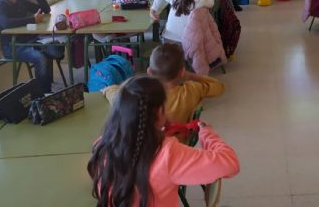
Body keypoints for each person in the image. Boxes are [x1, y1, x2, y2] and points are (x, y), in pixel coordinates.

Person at [88, 76, 239, 207]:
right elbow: (230, 163)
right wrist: (207, 134)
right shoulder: (168, 154)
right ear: (160, 112)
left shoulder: (101, 146)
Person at [102, 43, 225, 132]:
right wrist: (190, 75)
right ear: (182, 72)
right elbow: (218, 86)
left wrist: (109, 89)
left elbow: (117, 96)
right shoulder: (191, 90)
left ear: (149, 72)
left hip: (147, 150)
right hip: (180, 145)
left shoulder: (139, 95)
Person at [0, 0, 64, 93]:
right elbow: (5, 23)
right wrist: (32, 19)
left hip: (30, 40)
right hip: (12, 47)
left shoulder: (21, 1)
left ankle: (47, 85)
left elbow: (45, 10)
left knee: (56, 49)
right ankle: (43, 94)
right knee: (41, 57)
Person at [167, 0, 226, 75]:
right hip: (187, 43)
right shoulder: (201, 3)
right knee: (204, 22)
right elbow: (211, 3)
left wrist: (153, 10)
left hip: (168, 39)